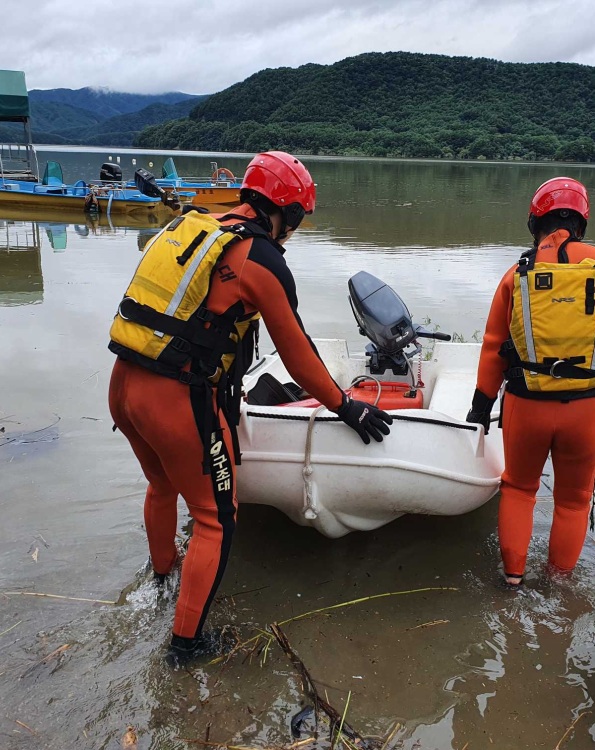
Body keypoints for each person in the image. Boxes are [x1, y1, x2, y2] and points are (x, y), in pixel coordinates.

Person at [107, 151, 392, 665]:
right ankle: (186, 647)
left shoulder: (193, 225)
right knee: (216, 519)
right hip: (175, 401)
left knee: (162, 484)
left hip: (124, 386)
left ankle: (161, 579)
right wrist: (345, 406)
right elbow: (298, 355)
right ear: (288, 212)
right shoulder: (261, 260)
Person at [466, 177, 595, 585]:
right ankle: (559, 585)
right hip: (588, 406)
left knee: (518, 489)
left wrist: (480, 407)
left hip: (526, 403)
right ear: (582, 221)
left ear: (535, 221)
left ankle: (513, 581)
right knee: (573, 501)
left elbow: (494, 346)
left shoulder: (518, 273)